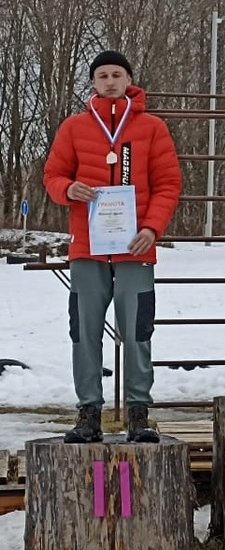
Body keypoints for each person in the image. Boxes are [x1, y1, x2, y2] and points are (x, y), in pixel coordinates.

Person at [44, 50, 182, 443]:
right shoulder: (73, 127)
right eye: (102, 75)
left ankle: (139, 414)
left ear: (128, 80)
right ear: (92, 83)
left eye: (116, 74)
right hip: (87, 249)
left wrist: (152, 228)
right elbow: (52, 175)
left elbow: (168, 184)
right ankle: (89, 412)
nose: (109, 81)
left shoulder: (152, 127)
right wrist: (68, 189)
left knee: (137, 333)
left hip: (135, 249)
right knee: (85, 332)